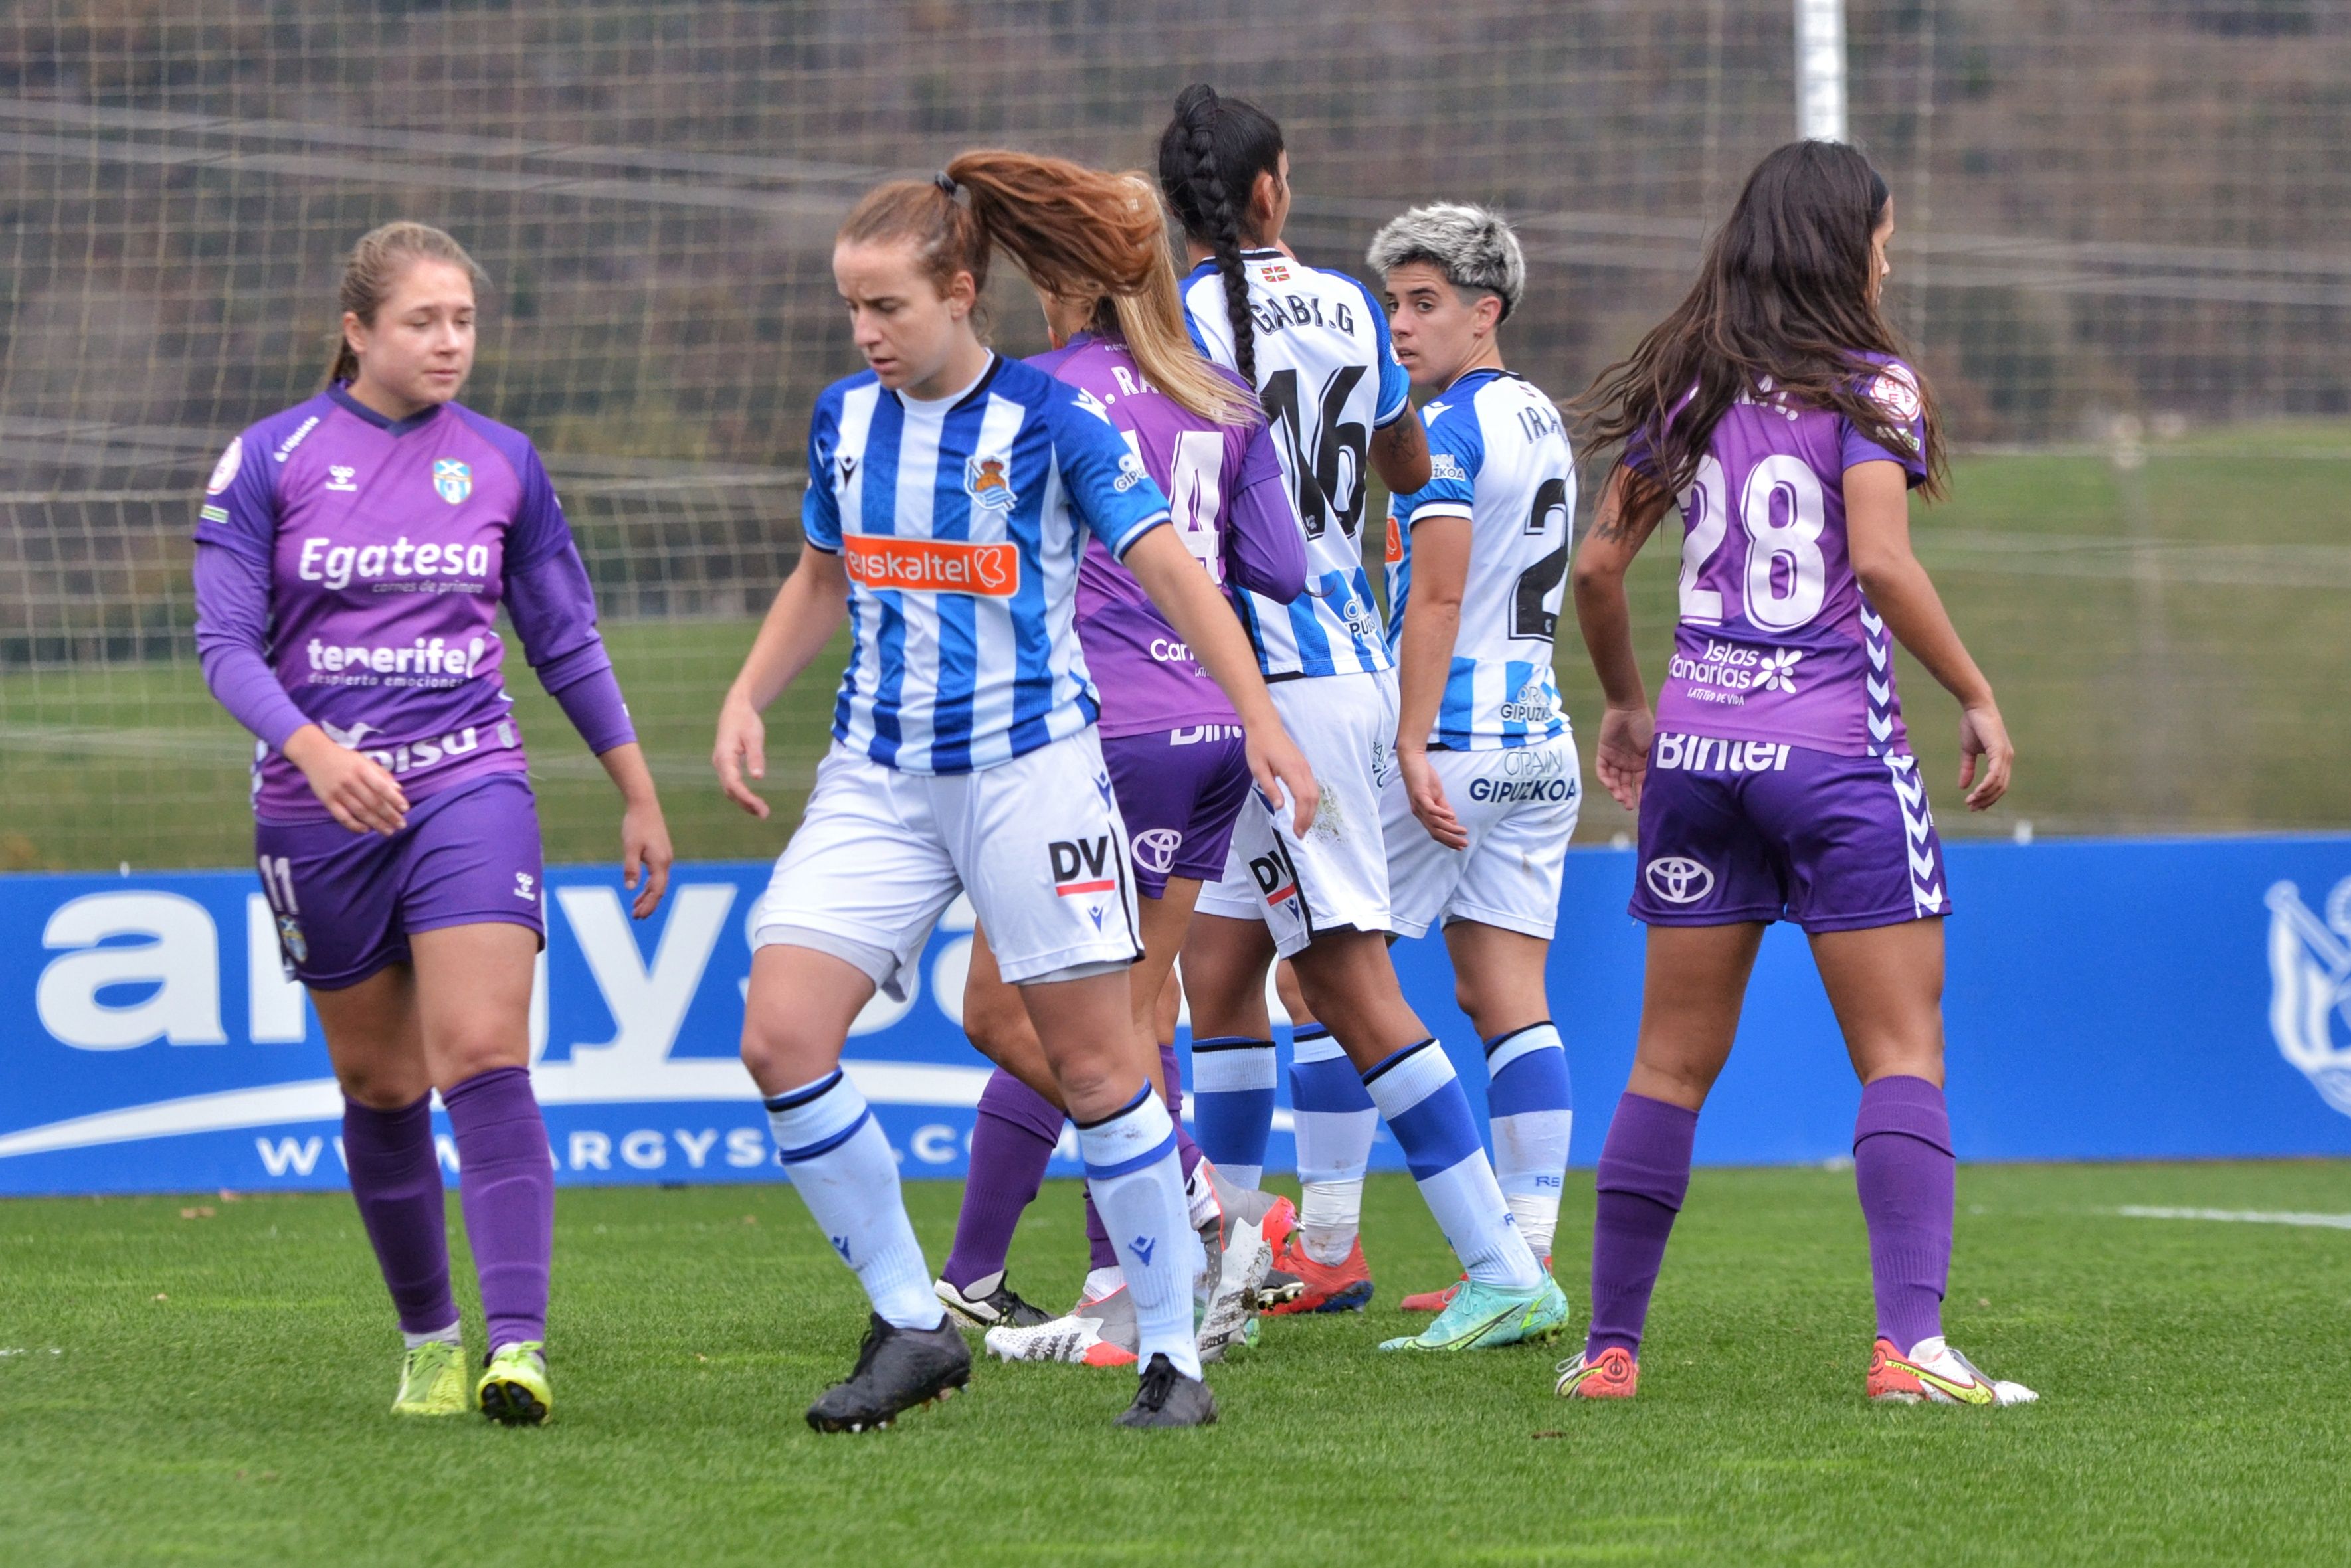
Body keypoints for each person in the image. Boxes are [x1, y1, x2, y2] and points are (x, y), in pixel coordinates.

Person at [713, 152, 1319, 1431]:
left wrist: (1263, 716)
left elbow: (1172, 568)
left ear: (961, 291)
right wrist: (746, 695)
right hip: (877, 775)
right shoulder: (845, 420)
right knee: (779, 1034)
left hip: (1030, 775)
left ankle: (1171, 1358)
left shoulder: (1054, 423)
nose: (866, 333)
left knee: (1101, 1068)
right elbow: (822, 575)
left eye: (889, 307)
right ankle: (914, 1322)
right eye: (852, 309)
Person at [1554, 141, 2035, 1407]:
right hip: (1833, 755)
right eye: (1884, 233)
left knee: (1665, 1065)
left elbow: (1598, 571)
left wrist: (1625, 702)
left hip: (1700, 757)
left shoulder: (1692, 384)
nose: (1893, 251)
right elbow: (1877, 564)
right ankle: (1911, 1350)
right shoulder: (1871, 384)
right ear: (1846, 243)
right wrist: (1976, 693)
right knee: (1900, 1052)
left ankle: (1610, 1352)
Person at [192, 221, 674, 1425]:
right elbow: (220, 645)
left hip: (472, 785)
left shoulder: (505, 462)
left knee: (481, 1053)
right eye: (423, 320)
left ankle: (519, 1347)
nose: (451, 340)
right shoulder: (270, 457)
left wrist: (637, 787)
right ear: (358, 330)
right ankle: (430, 1341)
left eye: (463, 318)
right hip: (317, 810)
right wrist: (313, 747)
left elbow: (562, 637)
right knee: (379, 1083)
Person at [1158, 84, 1564, 1353]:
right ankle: (1220, 1266)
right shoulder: (1345, 306)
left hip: (1245, 677)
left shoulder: (1170, 327)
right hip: (1318, 664)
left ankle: (1501, 1267)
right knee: (1219, 974)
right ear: (1273, 187)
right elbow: (1402, 467)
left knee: (1344, 983)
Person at [929, 176, 1310, 1370]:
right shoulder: (1218, 395)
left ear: (1063, 282)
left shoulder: (1037, 398)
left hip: (1097, 734)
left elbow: (971, 568)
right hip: (1210, 732)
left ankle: (1211, 1218)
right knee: (1138, 1016)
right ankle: (1108, 1285)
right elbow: (1285, 571)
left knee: (1009, 1009)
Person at [1364, 205, 1582, 1315]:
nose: (1400, 325)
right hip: (1541, 742)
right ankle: (1525, 1256)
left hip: (1452, 743)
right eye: (1394, 303)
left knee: (1324, 974)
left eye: (1426, 304)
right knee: (1504, 994)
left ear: (1485, 311)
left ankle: (1321, 1240)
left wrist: (1406, 738)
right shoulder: (1539, 414)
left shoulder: (1446, 429)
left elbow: (1440, 590)